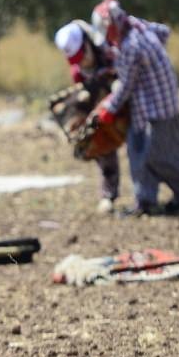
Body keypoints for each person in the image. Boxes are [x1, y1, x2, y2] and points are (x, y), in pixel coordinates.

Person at [92, 0, 179, 216]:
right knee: (160, 153)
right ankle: (152, 200)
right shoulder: (141, 29)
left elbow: (126, 86)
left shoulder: (131, 45)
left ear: (112, 26)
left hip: (154, 111)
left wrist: (107, 110)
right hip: (166, 105)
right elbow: (164, 32)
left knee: (154, 156)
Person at [54, 20, 121, 214]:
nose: (82, 63)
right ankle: (108, 195)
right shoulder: (78, 72)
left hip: (125, 105)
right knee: (102, 147)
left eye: (83, 56)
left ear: (88, 43)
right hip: (103, 110)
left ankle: (146, 196)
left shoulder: (110, 51)